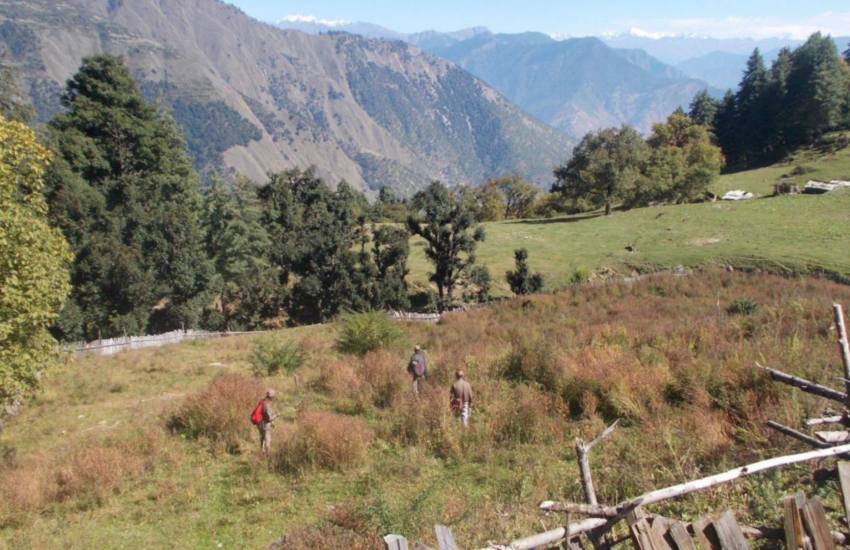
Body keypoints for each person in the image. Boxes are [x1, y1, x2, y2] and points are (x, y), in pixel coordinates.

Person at [258, 389, 278, 454]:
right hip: (265, 425)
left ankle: (261, 452)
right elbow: (269, 418)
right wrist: (276, 415)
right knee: (267, 440)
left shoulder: (262, 401)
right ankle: (268, 454)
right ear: (271, 397)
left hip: (259, 424)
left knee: (262, 438)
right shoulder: (267, 405)